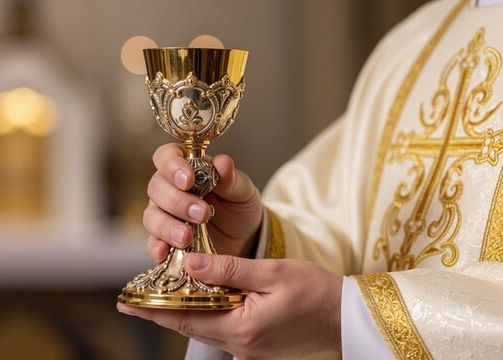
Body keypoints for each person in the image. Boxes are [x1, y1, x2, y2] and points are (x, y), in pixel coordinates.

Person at [117, 0, 503, 358]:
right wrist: (251, 244)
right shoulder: (418, 40)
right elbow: (341, 228)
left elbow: (338, 299)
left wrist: (348, 316)